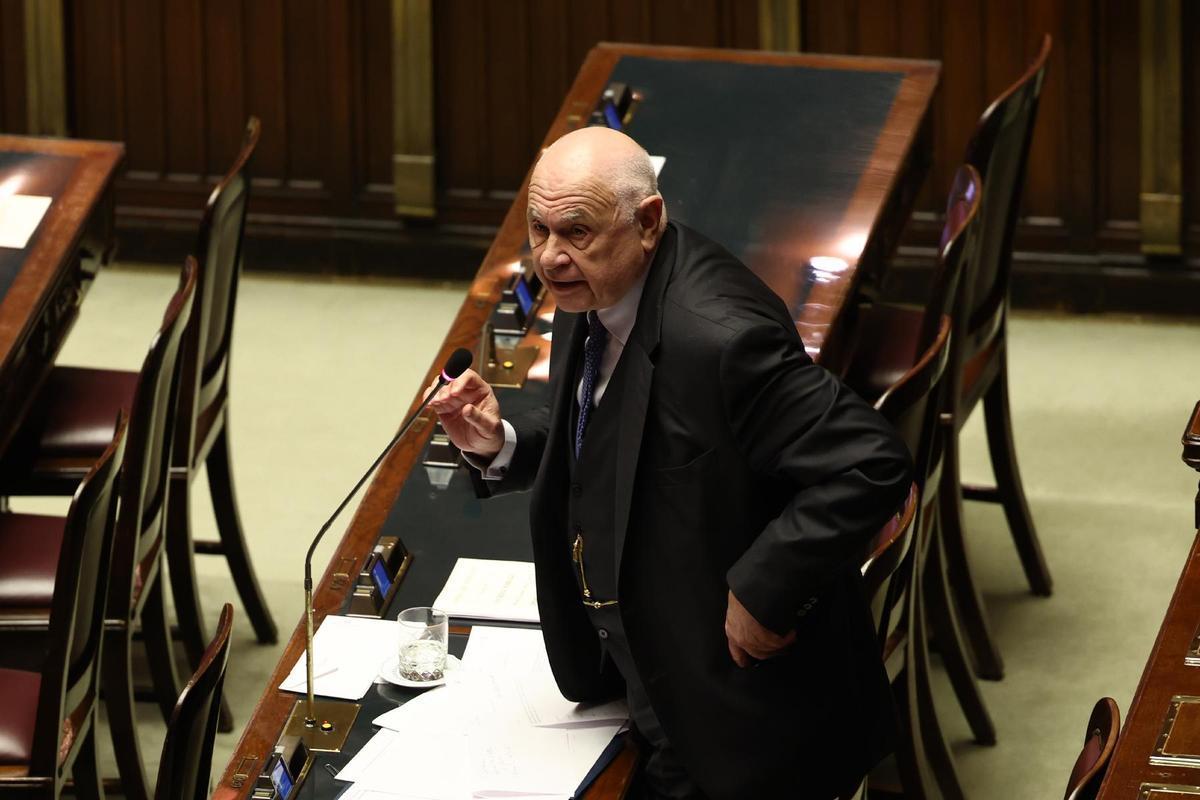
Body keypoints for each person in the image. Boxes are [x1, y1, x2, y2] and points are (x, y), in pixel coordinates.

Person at [428, 126, 912, 800]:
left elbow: (872, 460)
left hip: (735, 718)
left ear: (648, 223)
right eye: (537, 230)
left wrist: (763, 590)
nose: (549, 258)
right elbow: (613, 438)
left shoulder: (719, 338)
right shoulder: (595, 290)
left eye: (575, 233)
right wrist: (501, 443)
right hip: (642, 666)